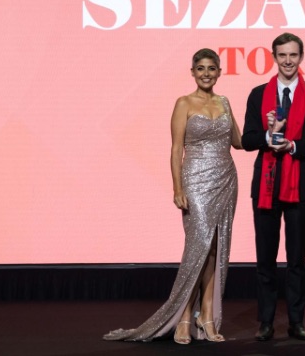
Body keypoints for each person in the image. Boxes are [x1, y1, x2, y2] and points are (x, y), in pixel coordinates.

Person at [103, 48, 242, 344]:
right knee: (197, 249)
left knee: (215, 250)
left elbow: (238, 142)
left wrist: (270, 129)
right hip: (195, 181)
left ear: (219, 72)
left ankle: (205, 318)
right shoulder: (184, 103)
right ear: (192, 72)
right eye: (200, 68)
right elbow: (176, 149)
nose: (206, 73)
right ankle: (181, 318)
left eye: (211, 68)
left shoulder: (225, 102)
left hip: (226, 179)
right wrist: (178, 188)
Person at [242, 33, 305, 342]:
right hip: (266, 184)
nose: (288, 61)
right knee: (265, 259)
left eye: (293, 55)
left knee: (297, 259)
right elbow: (247, 139)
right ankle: (265, 323)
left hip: (301, 184)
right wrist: (268, 136)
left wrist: (293, 145)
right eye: (282, 55)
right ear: (274, 57)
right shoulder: (257, 94)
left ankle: (296, 322)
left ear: (302, 57)